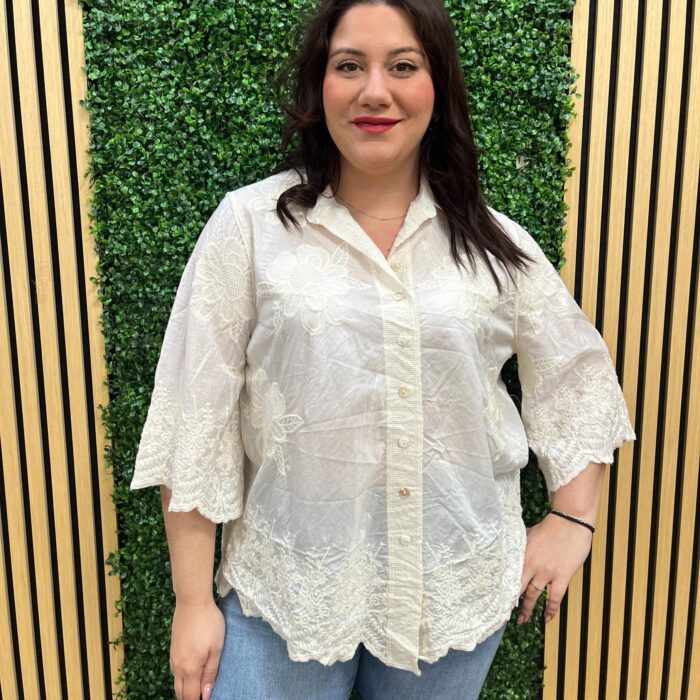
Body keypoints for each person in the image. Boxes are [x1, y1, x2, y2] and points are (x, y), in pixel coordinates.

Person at [129, 1, 635, 698]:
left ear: (438, 87)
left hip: (452, 593)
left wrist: (573, 518)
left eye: (402, 66)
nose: (375, 91)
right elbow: (195, 413)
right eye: (349, 66)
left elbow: (576, 379)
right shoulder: (249, 227)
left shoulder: (494, 243)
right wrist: (191, 603)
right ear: (320, 86)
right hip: (286, 594)